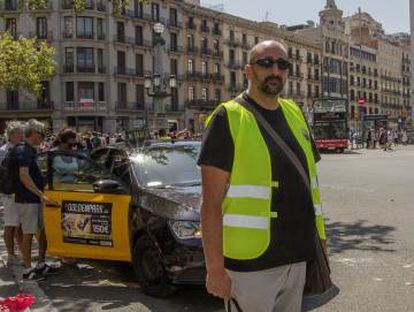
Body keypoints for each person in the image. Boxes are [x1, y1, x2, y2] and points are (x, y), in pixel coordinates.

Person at [198, 40, 327, 311]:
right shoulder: (227, 117)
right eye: (266, 63)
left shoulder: (295, 113)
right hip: (250, 265)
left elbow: (311, 186)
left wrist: (321, 243)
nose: (275, 71)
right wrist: (214, 269)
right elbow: (210, 203)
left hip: (297, 257)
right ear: (248, 70)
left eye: (282, 64)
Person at [12, 119, 57, 280]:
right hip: (28, 199)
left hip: (33, 199)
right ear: (33, 134)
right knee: (28, 233)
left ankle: (40, 264)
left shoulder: (30, 150)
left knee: (39, 230)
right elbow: (23, 176)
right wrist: (40, 194)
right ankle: (27, 269)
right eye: (41, 135)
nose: (43, 138)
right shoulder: (24, 150)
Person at [0, 121, 24, 263]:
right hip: (9, 193)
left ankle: (21, 252)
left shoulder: (22, 148)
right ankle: (10, 254)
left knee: (20, 224)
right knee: (10, 223)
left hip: (21, 192)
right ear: (10, 135)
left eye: (21, 133)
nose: (21, 136)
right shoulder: (3, 151)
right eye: (18, 133)